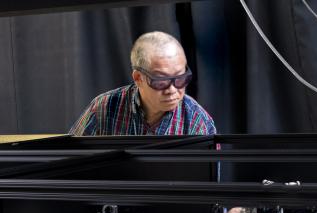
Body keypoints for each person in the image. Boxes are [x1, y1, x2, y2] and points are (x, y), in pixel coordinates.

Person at [69, 31, 215, 136]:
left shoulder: (198, 121)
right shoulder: (103, 108)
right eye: (161, 81)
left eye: (180, 78)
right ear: (138, 78)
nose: (172, 90)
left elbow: (207, 177)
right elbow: (71, 161)